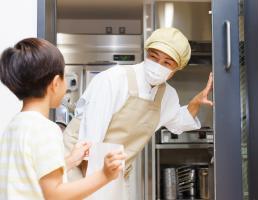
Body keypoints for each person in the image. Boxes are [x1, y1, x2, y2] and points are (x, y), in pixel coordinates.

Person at [63, 27, 213, 197]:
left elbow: (178, 121)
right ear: (146, 52)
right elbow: (89, 141)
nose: (157, 66)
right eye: (153, 57)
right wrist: (94, 187)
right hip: (76, 166)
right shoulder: (113, 80)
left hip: (112, 170)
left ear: (177, 68)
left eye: (167, 63)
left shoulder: (167, 96)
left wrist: (196, 101)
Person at [0, 38, 126, 199]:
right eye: (64, 77)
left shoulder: (15, 125)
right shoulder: (46, 129)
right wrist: (105, 175)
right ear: (55, 83)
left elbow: (32, 177)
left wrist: (71, 160)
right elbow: (55, 194)